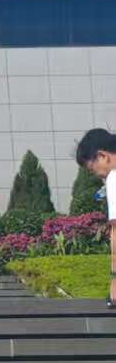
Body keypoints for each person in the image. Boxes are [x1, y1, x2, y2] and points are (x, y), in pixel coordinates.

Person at [74, 127, 116, 308]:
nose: (98, 176)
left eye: (92, 170)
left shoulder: (114, 177)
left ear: (102, 156)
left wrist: (115, 279)